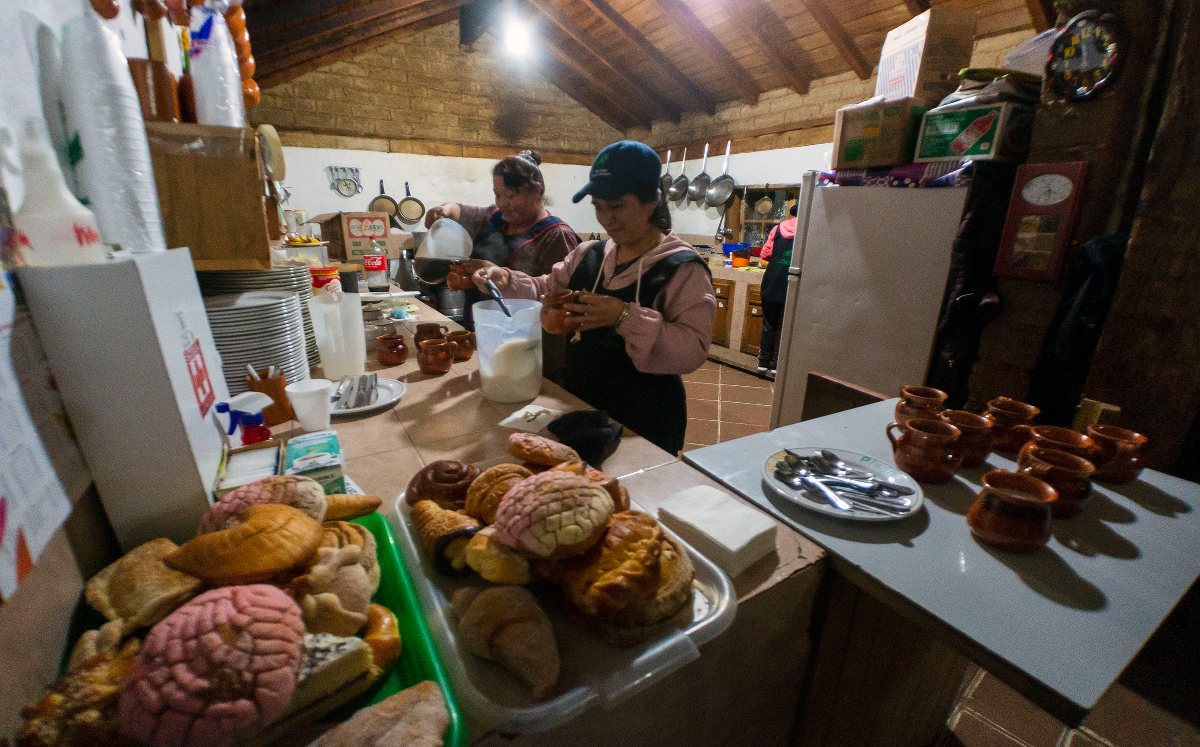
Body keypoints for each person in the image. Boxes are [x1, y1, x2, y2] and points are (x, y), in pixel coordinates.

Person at [472, 141, 716, 455]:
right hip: (582, 401)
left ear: (651, 201)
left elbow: (693, 351)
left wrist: (624, 317)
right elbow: (545, 288)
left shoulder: (681, 269)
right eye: (599, 206)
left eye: (616, 206)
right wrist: (506, 278)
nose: (607, 219)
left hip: (646, 416)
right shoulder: (590, 254)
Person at [425, 150, 579, 382]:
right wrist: (444, 211)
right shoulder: (494, 217)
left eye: (510, 196)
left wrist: (506, 279)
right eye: (497, 194)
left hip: (531, 351)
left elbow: (562, 298)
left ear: (536, 191)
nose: (501, 203)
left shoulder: (556, 235)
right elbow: (459, 209)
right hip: (486, 338)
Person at [757, 202, 798, 376]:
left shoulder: (778, 228)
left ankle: (762, 364)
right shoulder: (808, 232)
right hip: (793, 284)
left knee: (769, 324)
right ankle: (775, 366)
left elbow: (765, 254)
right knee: (784, 327)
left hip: (772, 281)